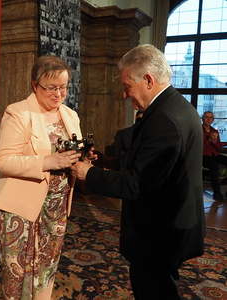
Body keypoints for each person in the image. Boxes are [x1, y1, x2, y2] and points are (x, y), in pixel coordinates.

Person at [71, 44, 205, 300]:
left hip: (160, 233)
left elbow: (136, 184)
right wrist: (106, 163)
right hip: (173, 222)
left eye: (127, 86)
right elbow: (149, 163)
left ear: (148, 80)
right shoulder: (176, 107)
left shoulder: (164, 120)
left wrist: (88, 173)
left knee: (154, 291)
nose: (124, 95)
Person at [0, 55, 82, 300]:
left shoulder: (70, 115)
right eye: (51, 88)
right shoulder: (18, 113)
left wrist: (82, 157)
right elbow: (3, 161)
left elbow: (71, 149)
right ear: (35, 85)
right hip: (23, 206)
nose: (59, 94)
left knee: (48, 261)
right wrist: (47, 162)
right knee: (18, 268)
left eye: (64, 87)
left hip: (57, 204)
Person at [202, 111, 227, 201]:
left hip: (215, 155)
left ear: (213, 120)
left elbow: (219, 148)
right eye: (206, 117)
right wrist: (209, 140)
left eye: (211, 117)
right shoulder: (198, 130)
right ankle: (217, 194)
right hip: (203, 156)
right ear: (202, 118)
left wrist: (215, 142)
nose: (209, 119)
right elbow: (198, 146)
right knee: (214, 166)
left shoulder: (214, 131)